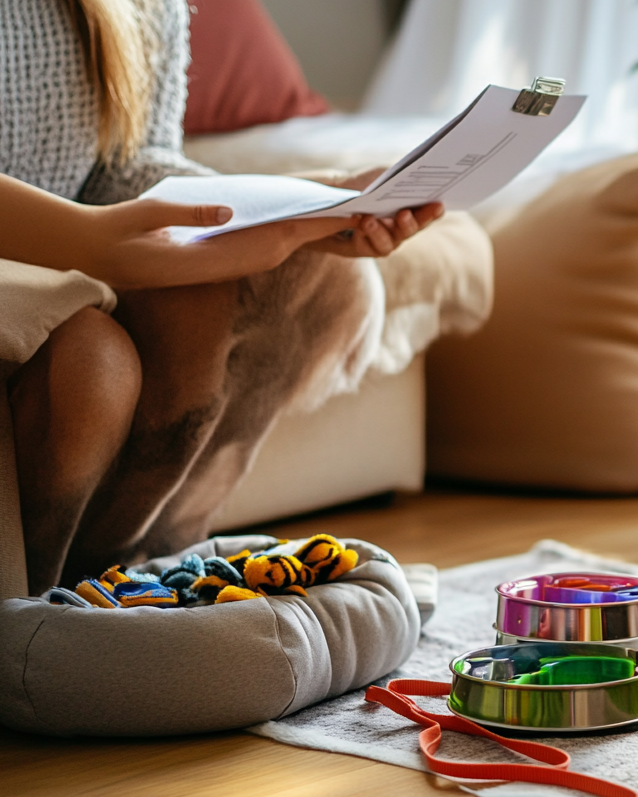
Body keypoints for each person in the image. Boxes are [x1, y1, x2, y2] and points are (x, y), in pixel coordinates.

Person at [1, 0, 441, 594]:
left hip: (70, 256)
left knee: (291, 276)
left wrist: (304, 206)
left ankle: (124, 578)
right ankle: (28, 616)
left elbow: (128, 165)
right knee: (93, 360)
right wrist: (85, 239)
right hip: (46, 255)